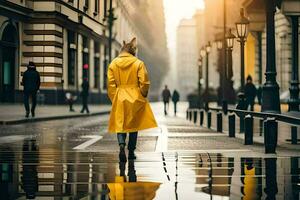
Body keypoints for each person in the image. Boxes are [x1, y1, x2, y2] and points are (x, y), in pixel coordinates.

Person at [107, 37, 157, 161]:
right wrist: (142, 94)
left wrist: (115, 98)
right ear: (133, 50)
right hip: (135, 96)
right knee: (134, 126)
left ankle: (121, 145)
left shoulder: (113, 64)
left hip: (119, 96)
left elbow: (110, 84)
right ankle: (131, 151)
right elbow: (144, 82)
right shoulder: (138, 63)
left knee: (120, 124)